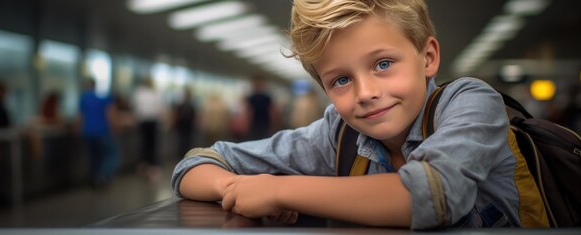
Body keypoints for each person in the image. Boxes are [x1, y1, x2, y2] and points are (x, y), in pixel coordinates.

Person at [171, 0, 548, 229]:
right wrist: (236, 188)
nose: (366, 93)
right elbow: (196, 165)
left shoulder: (469, 103)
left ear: (428, 57)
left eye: (383, 63)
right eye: (340, 80)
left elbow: (434, 196)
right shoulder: (338, 133)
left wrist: (279, 190)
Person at [79, 79, 119, 188]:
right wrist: (113, 128)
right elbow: (110, 114)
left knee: (94, 157)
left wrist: (78, 130)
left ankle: (93, 178)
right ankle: (103, 175)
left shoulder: (84, 98)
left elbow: (80, 116)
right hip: (102, 131)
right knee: (112, 154)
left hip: (88, 132)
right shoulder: (103, 98)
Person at [132, 78, 165, 181]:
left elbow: (136, 108)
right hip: (152, 121)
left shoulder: (139, 93)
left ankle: (143, 167)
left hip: (143, 122)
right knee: (152, 145)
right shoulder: (155, 93)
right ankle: (152, 168)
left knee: (144, 145)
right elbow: (160, 108)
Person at [173, 86, 197, 159]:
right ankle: (184, 154)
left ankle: (183, 154)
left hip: (185, 126)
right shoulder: (190, 106)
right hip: (185, 126)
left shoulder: (183, 105)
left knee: (185, 140)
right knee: (184, 140)